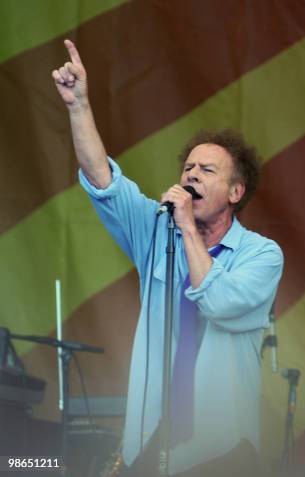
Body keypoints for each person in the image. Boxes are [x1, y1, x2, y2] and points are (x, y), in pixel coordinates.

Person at [52, 40, 283, 476]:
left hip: (222, 449)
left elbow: (219, 302)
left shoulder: (263, 255)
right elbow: (104, 181)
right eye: (188, 168)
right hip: (151, 442)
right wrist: (79, 105)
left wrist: (188, 230)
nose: (191, 174)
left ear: (236, 193)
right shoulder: (159, 230)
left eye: (207, 171)